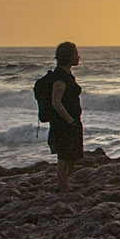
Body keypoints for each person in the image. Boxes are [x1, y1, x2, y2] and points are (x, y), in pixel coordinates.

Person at [47, 41, 83, 193]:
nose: (78, 57)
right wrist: (70, 121)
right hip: (64, 123)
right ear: (68, 57)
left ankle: (64, 184)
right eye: (75, 54)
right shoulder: (60, 76)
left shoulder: (67, 74)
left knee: (71, 155)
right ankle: (62, 187)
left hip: (72, 121)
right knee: (64, 155)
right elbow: (56, 102)